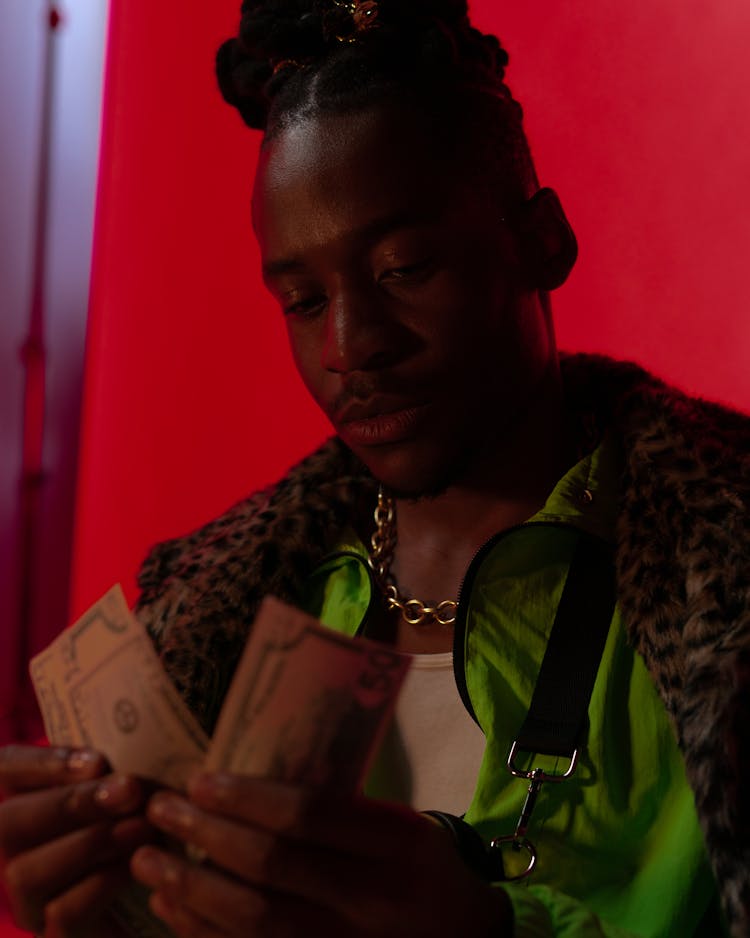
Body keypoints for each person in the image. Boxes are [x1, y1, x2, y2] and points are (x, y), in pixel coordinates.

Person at [1, 1, 749, 936]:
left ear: (541, 242)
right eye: (303, 300)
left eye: (404, 268)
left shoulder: (732, 585)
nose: (351, 345)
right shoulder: (212, 619)